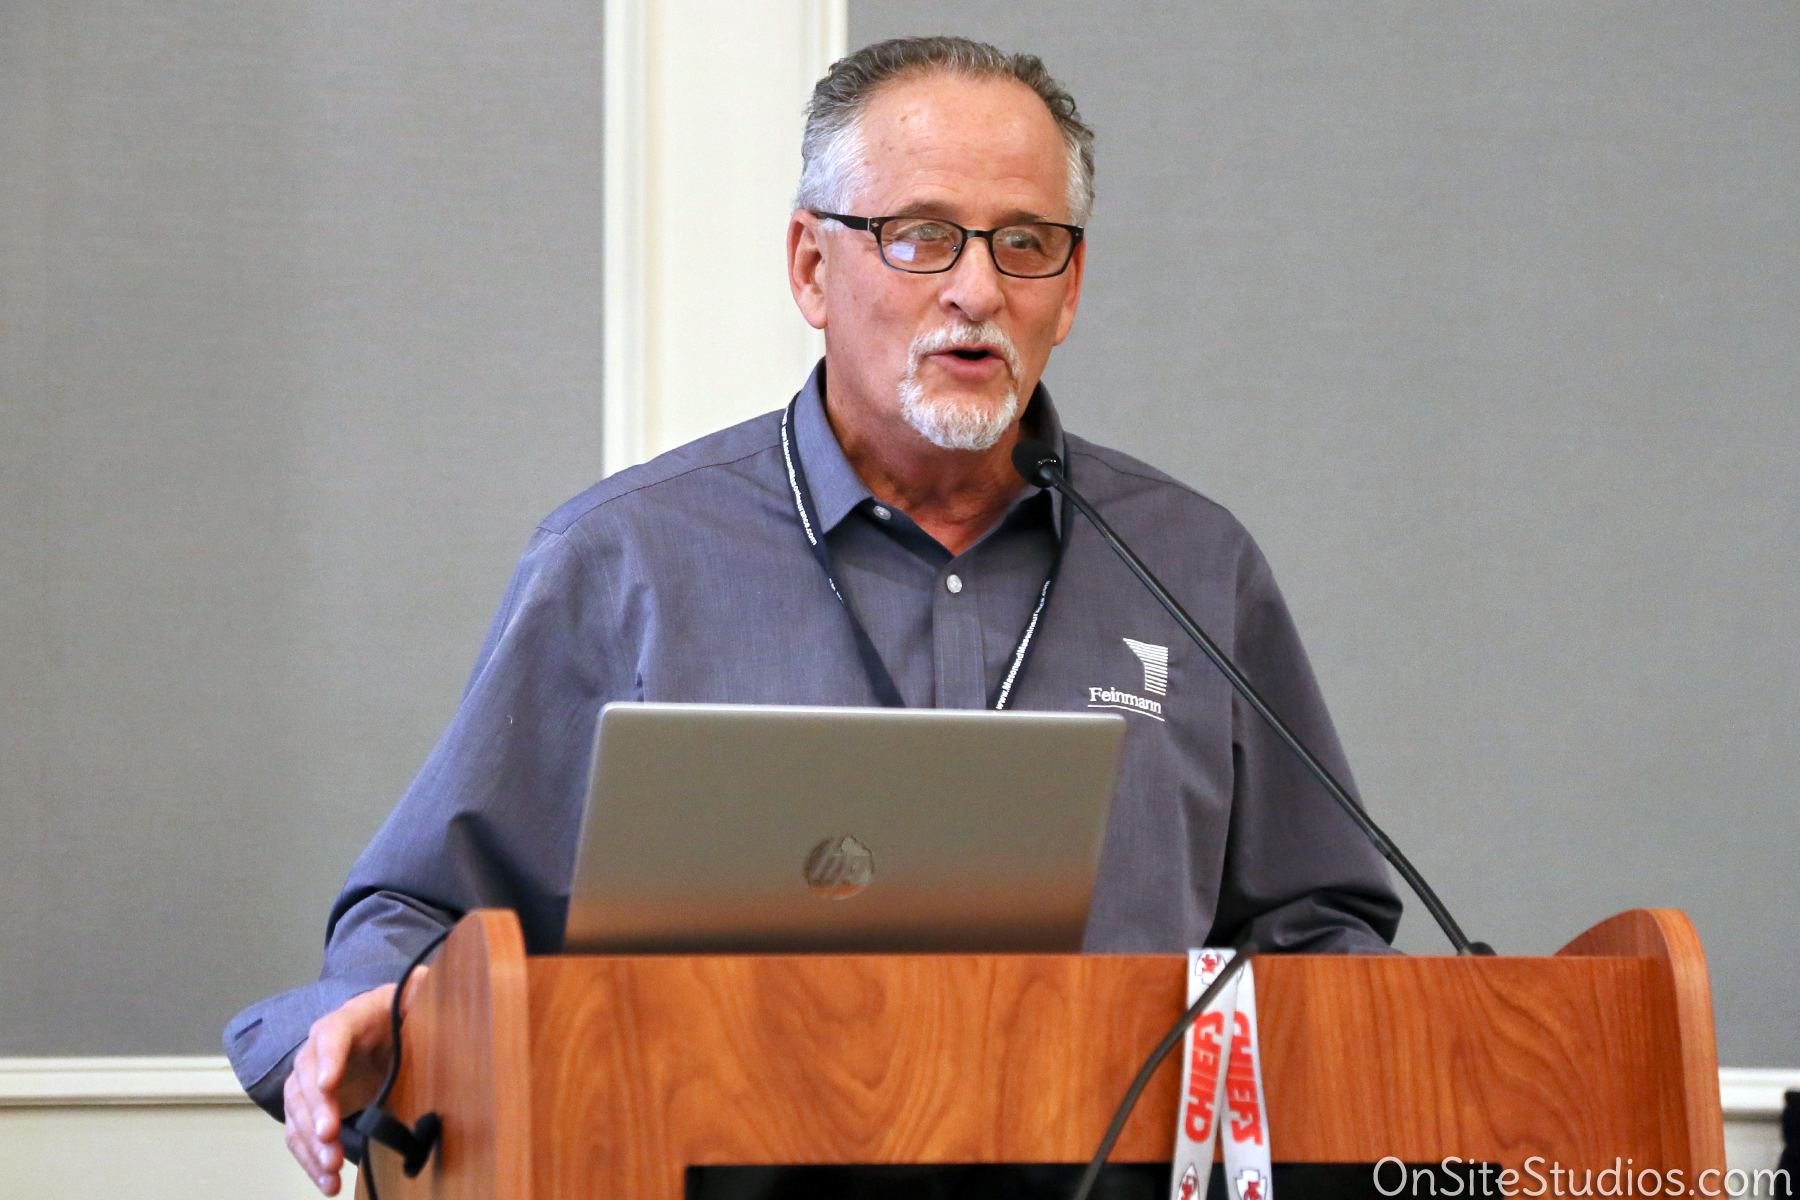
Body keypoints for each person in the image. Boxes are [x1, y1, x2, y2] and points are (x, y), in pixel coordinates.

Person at [228, 36, 1402, 1196]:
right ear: (810, 267)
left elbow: (1317, 922)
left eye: (1025, 243)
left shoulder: (1191, 564)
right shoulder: (628, 560)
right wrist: (378, 1014)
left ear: (1072, 287)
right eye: (921, 235)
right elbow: (418, 909)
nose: (978, 291)